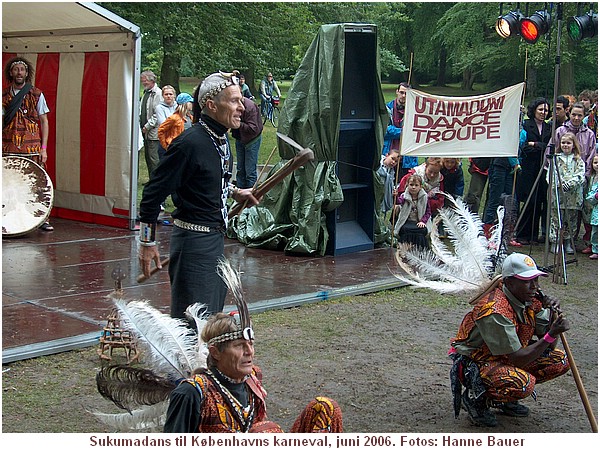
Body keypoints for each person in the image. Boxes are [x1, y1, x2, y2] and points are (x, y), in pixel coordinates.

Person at [138, 71, 260, 319]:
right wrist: (147, 242)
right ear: (211, 105)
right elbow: (152, 193)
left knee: (211, 320)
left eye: (242, 101)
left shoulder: (221, 139)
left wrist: (235, 191)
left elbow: (211, 177)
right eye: (234, 101)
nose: (242, 108)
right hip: (193, 244)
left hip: (214, 241)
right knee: (193, 324)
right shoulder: (189, 143)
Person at [163, 309, 343, 433]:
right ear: (215, 352)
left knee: (325, 408)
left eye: (251, 344)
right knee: (265, 433)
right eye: (239, 346)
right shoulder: (192, 392)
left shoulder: (252, 378)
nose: (249, 351)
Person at [449, 253, 571, 427]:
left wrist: (553, 318)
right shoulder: (494, 310)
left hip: (508, 356)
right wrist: (551, 333)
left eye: (536, 280)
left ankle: (504, 398)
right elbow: (517, 357)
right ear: (509, 282)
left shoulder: (530, 299)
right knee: (523, 384)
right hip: (478, 362)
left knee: (559, 360)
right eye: (527, 281)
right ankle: (475, 398)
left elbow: (550, 346)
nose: (534, 287)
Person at [2, 56, 53, 231]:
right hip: (8, 146)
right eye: (16, 69)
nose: (19, 73)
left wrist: (44, 148)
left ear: (26, 73)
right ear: (10, 72)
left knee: (36, 183)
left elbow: (44, 121)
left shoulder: (36, 94)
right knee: (9, 183)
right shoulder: (3, 96)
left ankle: (43, 218)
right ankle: (9, 219)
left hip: (32, 146)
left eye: (22, 70)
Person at [516, 97, 552, 245]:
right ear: (534, 110)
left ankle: (533, 235)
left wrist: (535, 144)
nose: (543, 113)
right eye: (540, 110)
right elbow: (523, 146)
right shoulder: (526, 124)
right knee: (530, 200)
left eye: (546, 110)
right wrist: (537, 146)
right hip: (528, 168)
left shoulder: (549, 127)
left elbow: (550, 146)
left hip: (543, 168)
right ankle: (522, 233)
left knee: (539, 201)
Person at [547, 132, 586, 254]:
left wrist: (571, 183)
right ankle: (555, 242)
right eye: (563, 143)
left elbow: (581, 175)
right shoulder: (555, 158)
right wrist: (558, 184)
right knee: (556, 219)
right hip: (557, 195)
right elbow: (550, 175)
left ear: (573, 145)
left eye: (568, 143)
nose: (565, 145)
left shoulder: (578, 160)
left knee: (571, 219)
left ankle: (568, 242)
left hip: (573, 196)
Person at [481, 157, 521, 248]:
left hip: (511, 165)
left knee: (510, 201)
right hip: (498, 164)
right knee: (494, 200)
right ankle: (488, 237)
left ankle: (507, 236)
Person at [381, 82, 418, 178]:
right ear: (397, 92)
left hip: (407, 158)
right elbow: (384, 130)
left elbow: (415, 131)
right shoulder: (387, 109)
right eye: (401, 92)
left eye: (407, 93)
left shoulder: (415, 111)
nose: (404, 96)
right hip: (389, 153)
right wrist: (404, 132)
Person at [231, 93, 263, 189]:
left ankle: (251, 197)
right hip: (240, 138)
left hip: (252, 139)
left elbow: (254, 129)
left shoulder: (250, 107)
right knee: (240, 169)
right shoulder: (232, 105)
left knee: (250, 171)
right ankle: (240, 195)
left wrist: (238, 123)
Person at [393, 173, 431, 249]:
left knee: (421, 230)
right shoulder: (404, 196)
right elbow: (399, 202)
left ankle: (420, 247)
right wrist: (395, 196)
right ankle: (405, 247)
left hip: (419, 221)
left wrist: (423, 221)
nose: (413, 187)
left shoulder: (424, 197)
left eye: (416, 185)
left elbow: (428, 212)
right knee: (404, 229)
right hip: (407, 220)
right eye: (411, 185)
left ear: (420, 187)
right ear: (407, 185)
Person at [140, 70, 163, 177]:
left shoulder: (158, 93)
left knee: (154, 158)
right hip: (145, 130)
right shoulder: (146, 92)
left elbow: (156, 113)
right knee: (148, 157)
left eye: (145, 81)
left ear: (152, 81)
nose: (143, 83)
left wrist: (147, 126)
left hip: (153, 131)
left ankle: (156, 180)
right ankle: (151, 179)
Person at [154, 85, 177, 159]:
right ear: (163, 96)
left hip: (177, 139)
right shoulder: (159, 108)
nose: (168, 96)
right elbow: (163, 124)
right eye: (166, 94)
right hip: (165, 140)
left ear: (174, 95)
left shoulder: (178, 106)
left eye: (170, 94)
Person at [582, 154, 598, 255]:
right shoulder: (591, 177)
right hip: (590, 204)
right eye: (595, 163)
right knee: (591, 228)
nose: (597, 165)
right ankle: (592, 246)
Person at [376, 148, 399, 215]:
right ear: (387, 155)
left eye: (396, 161)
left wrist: (392, 191)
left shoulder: (391, 172)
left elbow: (390, 185)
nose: (394, 162)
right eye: (392, 158)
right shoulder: (377, 165)